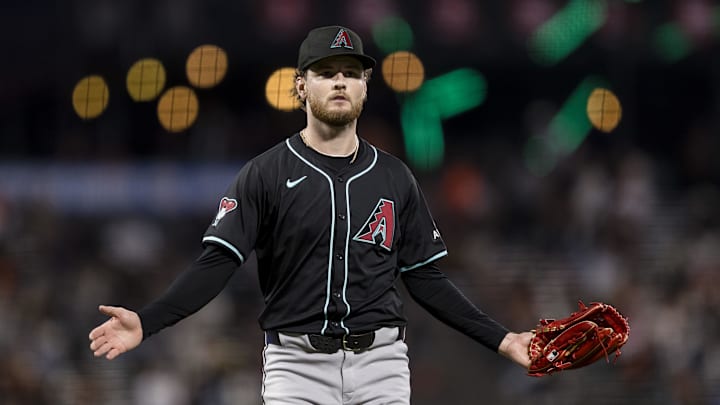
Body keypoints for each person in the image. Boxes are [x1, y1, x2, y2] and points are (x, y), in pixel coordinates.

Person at [89, 25, 533, 404]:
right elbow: (218, 262)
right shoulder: (265, 173)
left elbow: (427, 279)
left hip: (382, 364)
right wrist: (149, 321)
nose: (340, 81)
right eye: (325, 72)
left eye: (351, 73)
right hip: (296, 366)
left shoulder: (396, 178)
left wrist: (505, 339)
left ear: (365, 86)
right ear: (301, 85)